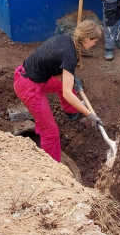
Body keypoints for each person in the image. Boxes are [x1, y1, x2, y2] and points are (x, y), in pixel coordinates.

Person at [13, 20, 105, 162]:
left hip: (31, 76)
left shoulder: (67, 40)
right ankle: (53, 169)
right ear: (87, 39)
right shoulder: (70, 56)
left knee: (64, 85)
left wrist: (71, 78)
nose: (94, 45)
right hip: (28, 87)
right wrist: (90, 115)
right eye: (94, 42)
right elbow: (67, 93)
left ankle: (72, 113)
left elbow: (53, 66)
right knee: (50, 133)